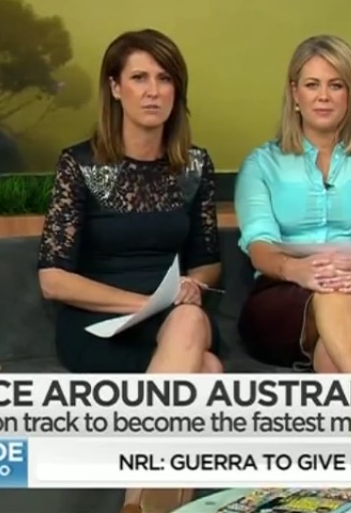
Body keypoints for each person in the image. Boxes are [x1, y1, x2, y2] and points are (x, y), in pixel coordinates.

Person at [36, 29, 221, 513]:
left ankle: (136, 501)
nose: (153, 91)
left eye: (164, 79)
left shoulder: (194, 166)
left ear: (177, 90)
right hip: (100, 326)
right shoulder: (79, 164)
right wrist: (145, 304)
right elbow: (53, 280)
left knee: (190, 320)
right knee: (207, 371)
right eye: (139, 78)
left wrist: (193, 286)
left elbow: (207, 260)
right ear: (115, 88)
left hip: (173, 322)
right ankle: (143, 498)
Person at [235, 35, 351, 373]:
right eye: (312, 85)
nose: (323, 96)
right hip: (282, 292)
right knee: (332, 294)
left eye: (336, 85)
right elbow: (260, 246)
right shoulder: (261, 164)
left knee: (333, 349)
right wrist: (298, 270)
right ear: (295, 93)